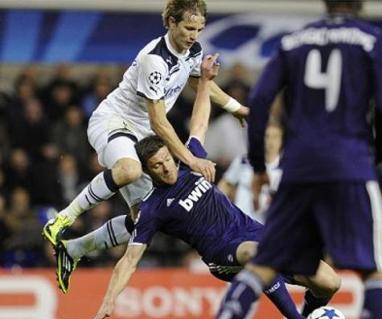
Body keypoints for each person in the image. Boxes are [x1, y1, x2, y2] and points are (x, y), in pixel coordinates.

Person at [82, 55, 341, 319]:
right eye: (157, 165)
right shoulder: (152, 208)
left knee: (329, 282)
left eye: (167, 158)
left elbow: (200, 121)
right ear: (147, 170)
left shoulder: (191, 166)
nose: (166, 166)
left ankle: (308, 318)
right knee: (259, 254)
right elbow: (129, 260)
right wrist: (108, 301)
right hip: (223, 254)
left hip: (256, 232)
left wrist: (205, 82)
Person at [203, 1, 382, 319]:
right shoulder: (375, 41)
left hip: (299, 164)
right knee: (376, 270)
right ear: (360, 5)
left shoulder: (294, 41)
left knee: (264, 265)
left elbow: (260, 100)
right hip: (350, 163)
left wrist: (260, 166)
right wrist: (381, 154)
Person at [42, 0, 248, 293]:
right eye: (189, 28)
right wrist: (191, 159)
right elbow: (159, 122)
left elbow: (199, 85)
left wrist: (236, 107)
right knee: (128, 169)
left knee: (144, 216)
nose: (194, 35)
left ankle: (73, 249)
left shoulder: (193, 52)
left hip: (140, 133)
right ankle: (63, 218)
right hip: (114, 122)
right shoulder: (154, 59)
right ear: (171, 23)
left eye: (199, 29)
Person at [218, 120, 283, 223]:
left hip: (265, 227)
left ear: (281, 140)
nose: (271, 141)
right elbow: (226, 184)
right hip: (238, 223)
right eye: (267, 136)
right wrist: (220, 208)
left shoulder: (285, 170)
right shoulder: (244, 161)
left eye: (275, 137)